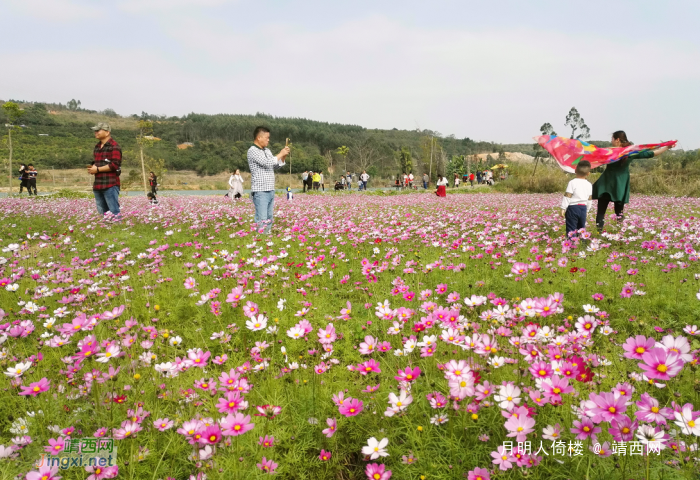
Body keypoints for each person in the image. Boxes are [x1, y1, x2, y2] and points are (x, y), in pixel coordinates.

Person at [592, 130, 672, 230]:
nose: (611, 141)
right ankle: (620, 231)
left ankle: (599, 232)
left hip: (606, 183)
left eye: (612, 139)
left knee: (601, 212)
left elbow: (593, 155)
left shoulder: (609, 151)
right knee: (619, 212)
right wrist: (667, 147)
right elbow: (652, 153)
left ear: (617, 140)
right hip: (620, 185)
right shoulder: (630, 151)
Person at [247, 126, 290, 234]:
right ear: (259, 138)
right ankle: (261, 238)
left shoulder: (267, 150)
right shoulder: (252, 150)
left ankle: (267, 237)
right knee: (262, 218)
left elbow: (275, 166)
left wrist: (283, 156)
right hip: (260, 190)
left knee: (269, 218)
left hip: (270, 189)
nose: (268, 140)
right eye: (266, 137)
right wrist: (280, 153)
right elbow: (267, 163)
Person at [87, 122, 122, 217]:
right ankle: (107, 229)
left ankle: (118, 229)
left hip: (110, 184)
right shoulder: (97, 147)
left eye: (98, 130)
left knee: (114, 211)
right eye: (95, 131)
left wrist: (97, 169)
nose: (96, 132)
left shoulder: (114, 146)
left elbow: (114, 165)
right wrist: (93, 168)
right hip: (98, 184)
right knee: (103, 213)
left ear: (107, 132)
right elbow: (98, 163)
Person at [560, 160, 592, 237]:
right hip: (583, 208)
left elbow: (568, 196)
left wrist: (563, 208)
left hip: (573, 208)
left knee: (571, 228)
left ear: (575, 170)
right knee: (581, 229)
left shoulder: (572, 182)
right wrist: (587, 210)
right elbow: (589, 199)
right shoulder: (589, 184)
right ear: (588, 173)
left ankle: (571, 246)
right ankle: (582, 245)